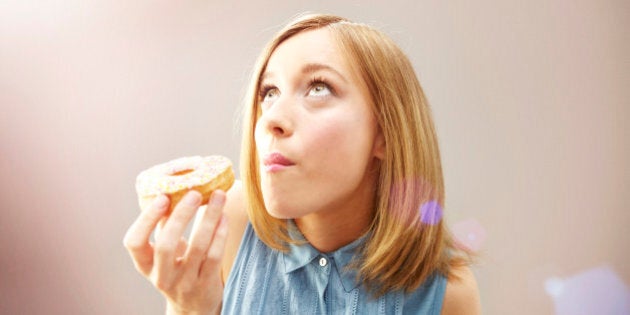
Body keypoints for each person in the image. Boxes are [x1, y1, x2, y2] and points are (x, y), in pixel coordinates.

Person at [124, 13, 481, 314]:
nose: (271, 119)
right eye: (269, 93)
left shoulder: (448, 291)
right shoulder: (231, 222)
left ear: (384, 133)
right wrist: (188, 309)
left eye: (318, 88)